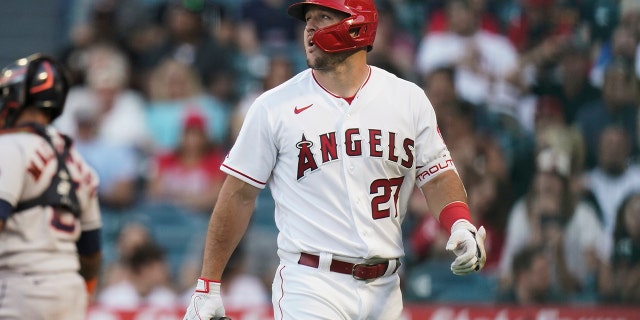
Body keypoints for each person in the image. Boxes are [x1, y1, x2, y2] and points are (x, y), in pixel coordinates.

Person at [183, 1, 487, 319]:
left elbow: (437, 175)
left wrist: (460, 224)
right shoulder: (273, 107)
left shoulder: (407, 99)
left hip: (386, 287)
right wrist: (208, 284)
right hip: (311, 282)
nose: (310, 29)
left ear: (359, 25)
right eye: (308, 20)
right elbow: (238, 195)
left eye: (323, 17)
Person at [0, 54, 102, 319]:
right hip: (70, 290)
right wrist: (82, 291)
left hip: (19, 288)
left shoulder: (10, 147)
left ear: (19, 97)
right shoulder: (78, 161)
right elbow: (91, 253)